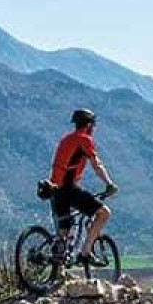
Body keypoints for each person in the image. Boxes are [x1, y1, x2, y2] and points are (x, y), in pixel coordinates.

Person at [49, 108, 117, 262]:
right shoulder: (84, 139)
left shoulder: (66, 139)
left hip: (54, 188)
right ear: (89, 125)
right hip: (68, 189)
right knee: (104, 213)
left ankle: (57, 261)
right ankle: (85, 252)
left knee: (64, 229)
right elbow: (96, 164)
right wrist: (109, 184)